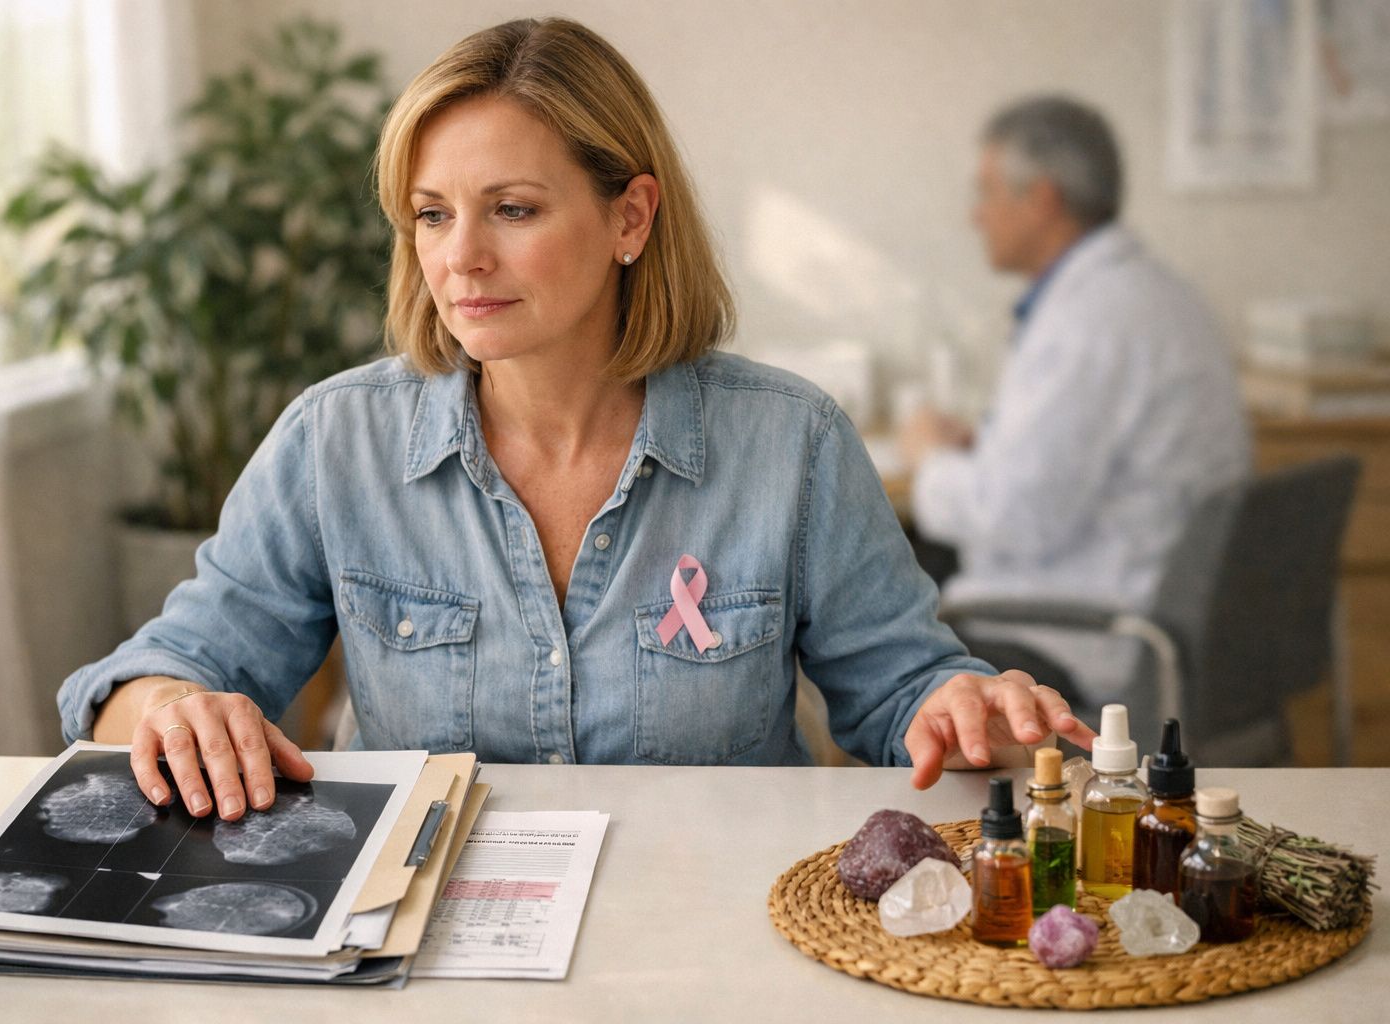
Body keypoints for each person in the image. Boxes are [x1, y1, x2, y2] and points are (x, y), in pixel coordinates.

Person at [59, 19, 1095, 822]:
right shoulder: (335, 441)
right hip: (424, 962)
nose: (461, 256)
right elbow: (149, 679)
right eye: (432, 213)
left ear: (630, 217)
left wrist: (959, 706)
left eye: (512, 209)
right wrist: (169, 708)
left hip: (719, 944)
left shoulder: (794, 444)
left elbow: (901, 687)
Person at [899, 95, 1251, 709]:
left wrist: (927, 458)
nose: (975, 215)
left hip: (1086, 634)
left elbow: (1017, 518)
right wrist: (987, 448)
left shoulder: (1093, 321)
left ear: (1041, 199)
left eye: (986, 192)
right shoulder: (1146, 294)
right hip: (1142, 602)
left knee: (856, 643)